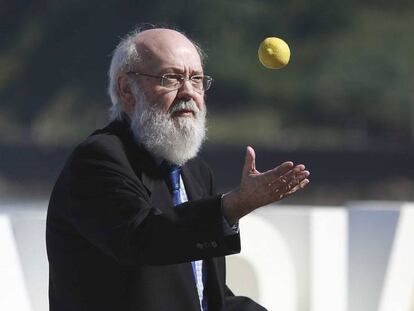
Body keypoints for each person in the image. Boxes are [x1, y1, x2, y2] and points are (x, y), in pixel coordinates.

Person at [46, 26, 310, 311]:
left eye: (196, 80)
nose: (188, 92)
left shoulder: (194, 171)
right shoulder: (98, 160)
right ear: (126, 89)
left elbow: (205, 296)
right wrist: (231, 207)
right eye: (170, 78)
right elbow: (143, 238)